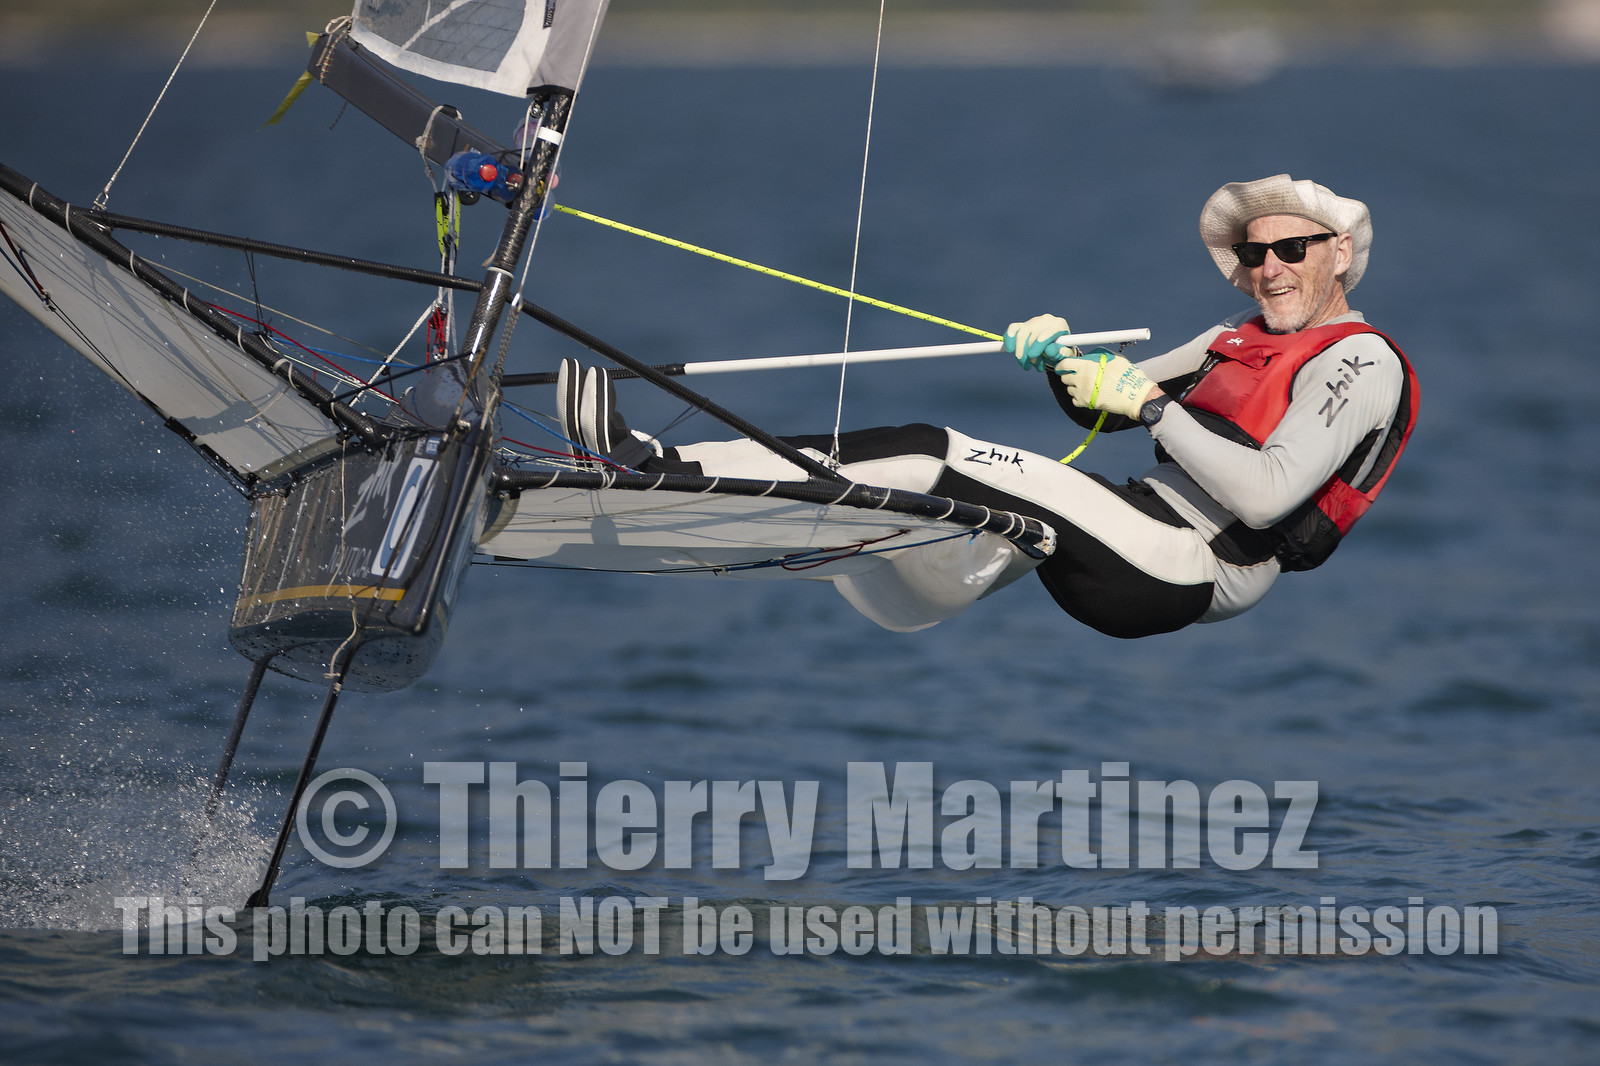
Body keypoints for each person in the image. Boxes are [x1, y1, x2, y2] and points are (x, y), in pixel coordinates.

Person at [558, 174, 1418, 638]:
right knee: (929, 483)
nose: (1267, 268)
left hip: (1195, 568)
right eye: (1253, 252)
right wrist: (1063, 360)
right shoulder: (1237, 334)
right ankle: (681, 501)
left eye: (1290, 250)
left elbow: (1265, 494)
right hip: (1136, 528)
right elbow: (1105, 406)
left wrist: (1152, 408)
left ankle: (660, 467)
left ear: (1338, 252)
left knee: (933, 449)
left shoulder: (1361, 360)